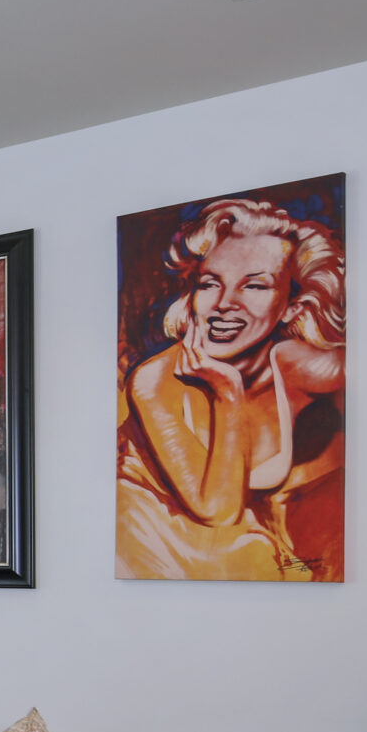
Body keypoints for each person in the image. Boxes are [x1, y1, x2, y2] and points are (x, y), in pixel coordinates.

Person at [117, 197, 345, 580]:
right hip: (154, 558)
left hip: (252, 575)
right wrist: (228, 394)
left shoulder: (304, 366)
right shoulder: (154, 380)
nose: (224, 304)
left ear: (291, 304)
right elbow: (218, 510)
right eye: (210, 284)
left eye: (254, 286)